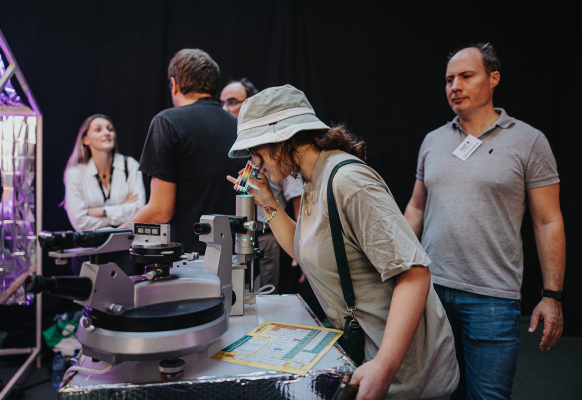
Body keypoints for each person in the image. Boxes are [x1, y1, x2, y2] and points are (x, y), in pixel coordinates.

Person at [227, 85, 459, 400]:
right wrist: (267, 202)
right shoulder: (314, 179)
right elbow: (305, 251)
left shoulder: (348, 181)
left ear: (282, 139)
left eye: (255, 150)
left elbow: (414, 272)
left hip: (406, 376)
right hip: (368, 360)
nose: (254, 161)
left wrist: (385, 365)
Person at [404, 43, 566, 399]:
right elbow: (416, 208)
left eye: (465, 76)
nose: (454, 86)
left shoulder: (528, 141)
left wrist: (552, 295)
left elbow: (548, 220)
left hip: (492, 299)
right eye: (449, 79)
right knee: (430, 393)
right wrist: (396, 269)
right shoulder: (433, 141)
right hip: (431, 292)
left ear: (493, 78)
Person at [128, 49, 245, 253]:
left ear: (174, 84)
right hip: (241, 259)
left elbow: (160, 211)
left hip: (192, 265)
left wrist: (114, 237)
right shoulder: (239, 127)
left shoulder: (167, 122)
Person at [221, 78, 303, 292]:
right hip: (239, 234)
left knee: (265, 291)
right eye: (221, 103)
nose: (224, 109)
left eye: (232, 102)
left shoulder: (277, 148)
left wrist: (302, 247)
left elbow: (297, 196)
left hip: (268, 232)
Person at [63, 114, 145, 274]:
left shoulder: (131, 165)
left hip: (125, 251)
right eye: (98, 130)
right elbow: (79, 222)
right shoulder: (75, 173)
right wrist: (122, 209)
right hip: (88, 251)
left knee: (126, 298)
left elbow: (139, 212)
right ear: (85, 139)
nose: (107, 133)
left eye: (110, 129)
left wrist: (100, 211)